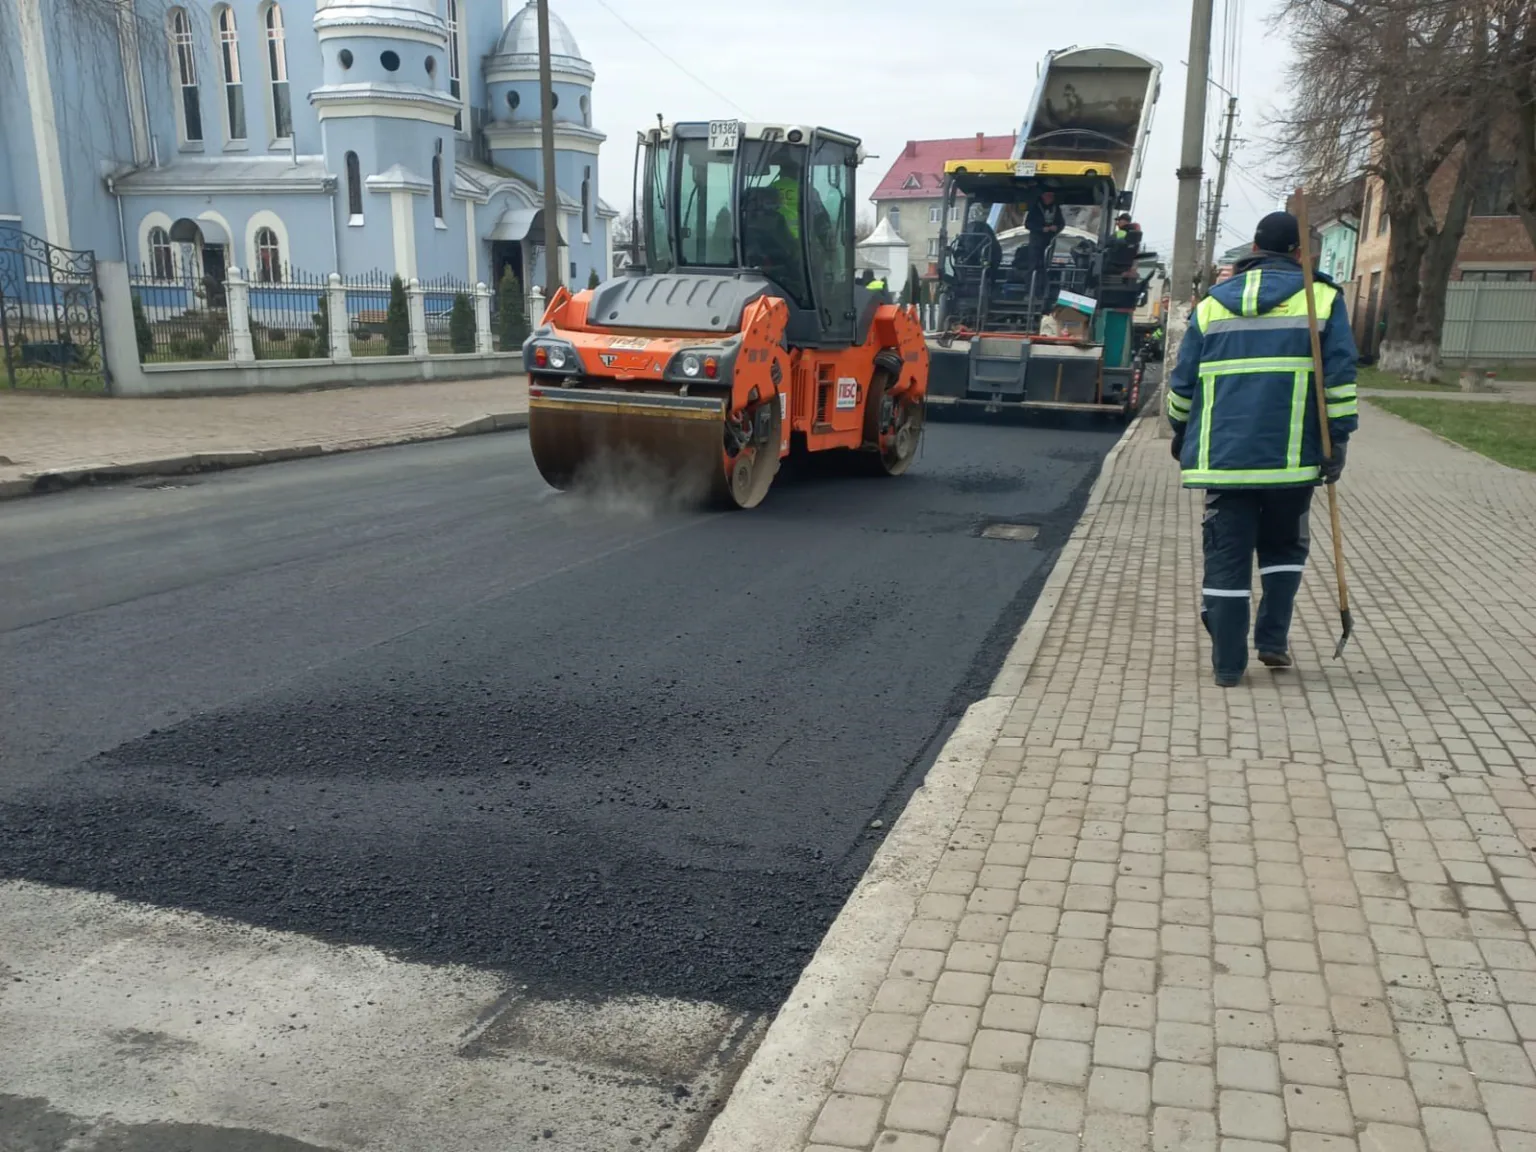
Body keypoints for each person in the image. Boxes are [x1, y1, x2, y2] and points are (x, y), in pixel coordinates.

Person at [1165, 210, 1359, 687]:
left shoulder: (1211, 305)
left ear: (1254, 248)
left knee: (1227, 559)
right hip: (1291, 459)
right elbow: (1338, 380)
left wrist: (1180, 429)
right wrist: (1339, 440)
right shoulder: (1321, 299)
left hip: (1224, 460)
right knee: (1283, 547)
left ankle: (1228, 667)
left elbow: (1182, 383)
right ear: (1299, 253)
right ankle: (1272, 640)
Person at [1023, 189, 1064, 277]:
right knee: (1034, 264)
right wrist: (1041, 229)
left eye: (1052, 195)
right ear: (1043, 196)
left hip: (1050, 241)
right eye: (1048, 195)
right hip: (1036, 241)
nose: (1050, 197)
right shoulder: (1035, 208)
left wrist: (1056, 227)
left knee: (1046, 265)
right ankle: (1032, 284)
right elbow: (1028, 224)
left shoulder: (1056, 208)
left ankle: (1043, 284)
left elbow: (1061, 223)